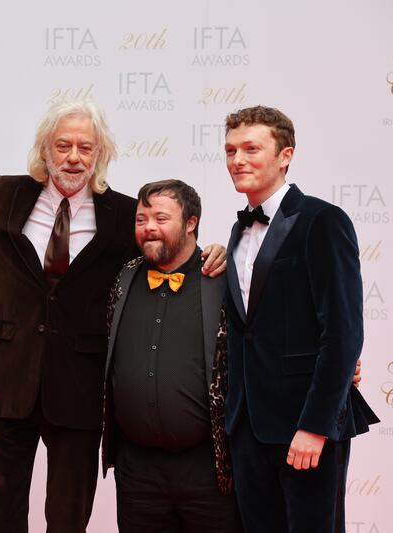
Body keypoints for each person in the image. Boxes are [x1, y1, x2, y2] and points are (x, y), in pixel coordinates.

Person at [0, 100, 226, 533]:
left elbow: (165, 249)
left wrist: (213, 250)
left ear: (99, 154)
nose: (73, 157)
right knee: (0, 512)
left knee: (69, 516)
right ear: (44, 149)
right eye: (63, 145)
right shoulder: (6, 193)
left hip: (80, 384)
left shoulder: (125, 214)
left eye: (85, 148)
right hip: (5, 378)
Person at [222, 105, 378, 532]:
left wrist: (315, 425)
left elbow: (343, 332)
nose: (238, 160)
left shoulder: (322, 220)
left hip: (305, 427)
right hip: (248, 427)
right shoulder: (237, 232)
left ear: (285, 155)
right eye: (231, 150)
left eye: (252, 148)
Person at [102, 179, 242, 533]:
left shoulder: (224, 279)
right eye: (141, 219)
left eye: (161, 218)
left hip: (207, 470)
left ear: (191, 222)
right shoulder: (125, 276)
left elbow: (269, 339)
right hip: (137, 471)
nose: (149, 227)